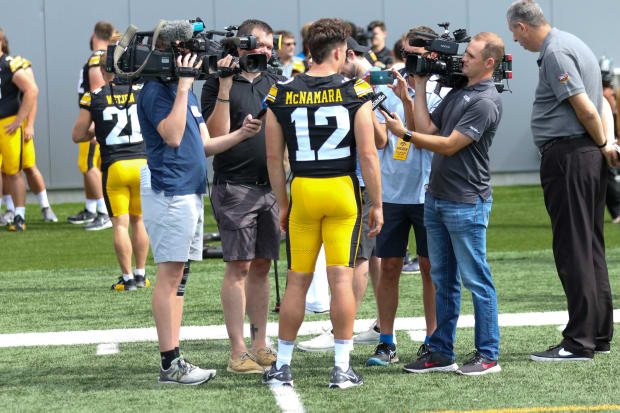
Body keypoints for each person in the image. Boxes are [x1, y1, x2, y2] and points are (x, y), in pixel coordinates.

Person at [261, 18, 382, 389]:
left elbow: (273, 158)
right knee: (340, 279)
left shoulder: (280, 92)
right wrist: (376, 203)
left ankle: (282, 366)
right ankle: (341, 367)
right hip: (342, 191)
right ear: (338, 52)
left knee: (297, 281)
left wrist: (282, 203)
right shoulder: (355, 90)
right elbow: (368, 152)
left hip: (305, 190)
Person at [137, 44, 262, 384]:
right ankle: (169, 363)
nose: (196, 64)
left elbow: (203, 145)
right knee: (170, 276)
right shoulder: (156, 90)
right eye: (189, 57)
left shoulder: (185, 92)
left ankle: (174, 358)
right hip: (170, 192)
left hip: (188, 191)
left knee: (181, 278)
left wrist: (241, 133)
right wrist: (182, 85)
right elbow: (174, 136)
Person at [382, 31, 505, 376]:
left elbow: (448, 145)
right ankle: (440, 351)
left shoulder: (485, 100)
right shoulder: (462, 92)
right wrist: (418, 88)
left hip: (466, 201)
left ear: (488, 63)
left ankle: (488, 354)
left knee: (476, 280)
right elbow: (429, 128)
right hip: (437, 197)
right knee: (443, 279)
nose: (462, 58)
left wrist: (403, 134)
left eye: (470, 55)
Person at [507, 0, 616, 361]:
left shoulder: (555, 52)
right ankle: (597, 334)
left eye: (514, 33)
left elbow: (586, 106)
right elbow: (599, 100)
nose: (516, 41)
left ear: (523, 26)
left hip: (570, 156)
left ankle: (578, 342)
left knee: (573, 248)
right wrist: (603, 145)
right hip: (582, 155)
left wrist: (602, 143)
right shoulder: (573, 42)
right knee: (589, 245)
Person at [201, 19, 284, 374]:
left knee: (262, 266)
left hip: (270, 187)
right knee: (239, 266)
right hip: (233, 185)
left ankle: (260, 343)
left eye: (268, 45)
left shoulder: (276, 82)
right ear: (240, 45)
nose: (264, 50)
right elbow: (214, 137)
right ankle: (237, 352)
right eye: (257, 44)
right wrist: (223, 84)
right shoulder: (215, 81)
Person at [297, 35, 387, 352]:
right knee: (371, 257)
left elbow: (380, 141)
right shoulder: (359, 85)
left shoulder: (362, 87)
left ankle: (341, 329)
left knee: (357, 258)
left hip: (355, 183)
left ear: (345, 55)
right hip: (358, 183)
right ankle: (379, 324)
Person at [366, 26, 449, 368]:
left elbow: (423, 134)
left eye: (415, 52)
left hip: (430, 189)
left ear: (431, 54)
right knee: (389, 267)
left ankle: (433, 338)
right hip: (393, 190)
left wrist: (407, 100)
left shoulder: (443, 90)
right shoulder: (386, 82)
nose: (408, 59)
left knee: (431, 269)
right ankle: (386, 340)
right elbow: (383, 141)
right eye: (405, 51)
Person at [72, 49, 150, 291]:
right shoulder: (143, 91)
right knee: (140, 222)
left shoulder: (93, 96)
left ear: (104, 71)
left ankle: (127, 280)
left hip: (115, 166)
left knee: (120, 224)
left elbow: (78, 135)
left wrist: (99, 130)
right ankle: (141, 274)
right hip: (142, 164)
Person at [69, 21, 114, 231]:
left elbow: (98, 91)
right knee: (90, 165)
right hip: (101, 117)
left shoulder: (98, 57)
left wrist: (96, 124)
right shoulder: (106, 55)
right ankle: (91, 208)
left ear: (95, 34)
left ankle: (104, 212)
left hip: (95, 120)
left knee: (87, 164)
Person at [1, 57, 57, 224]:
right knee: (4, 170)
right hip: (6, 124)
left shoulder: (16, 64)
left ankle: (45, 206)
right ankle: (10, 208)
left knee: (28, 166)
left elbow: (32, 96)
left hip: (17, 123)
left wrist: (29, 124)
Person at [0, 29, 38, 231]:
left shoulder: (9, 64)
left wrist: (20, 120)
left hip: (7, 124)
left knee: (15, 172)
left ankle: (19, 216)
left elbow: (32, 90)